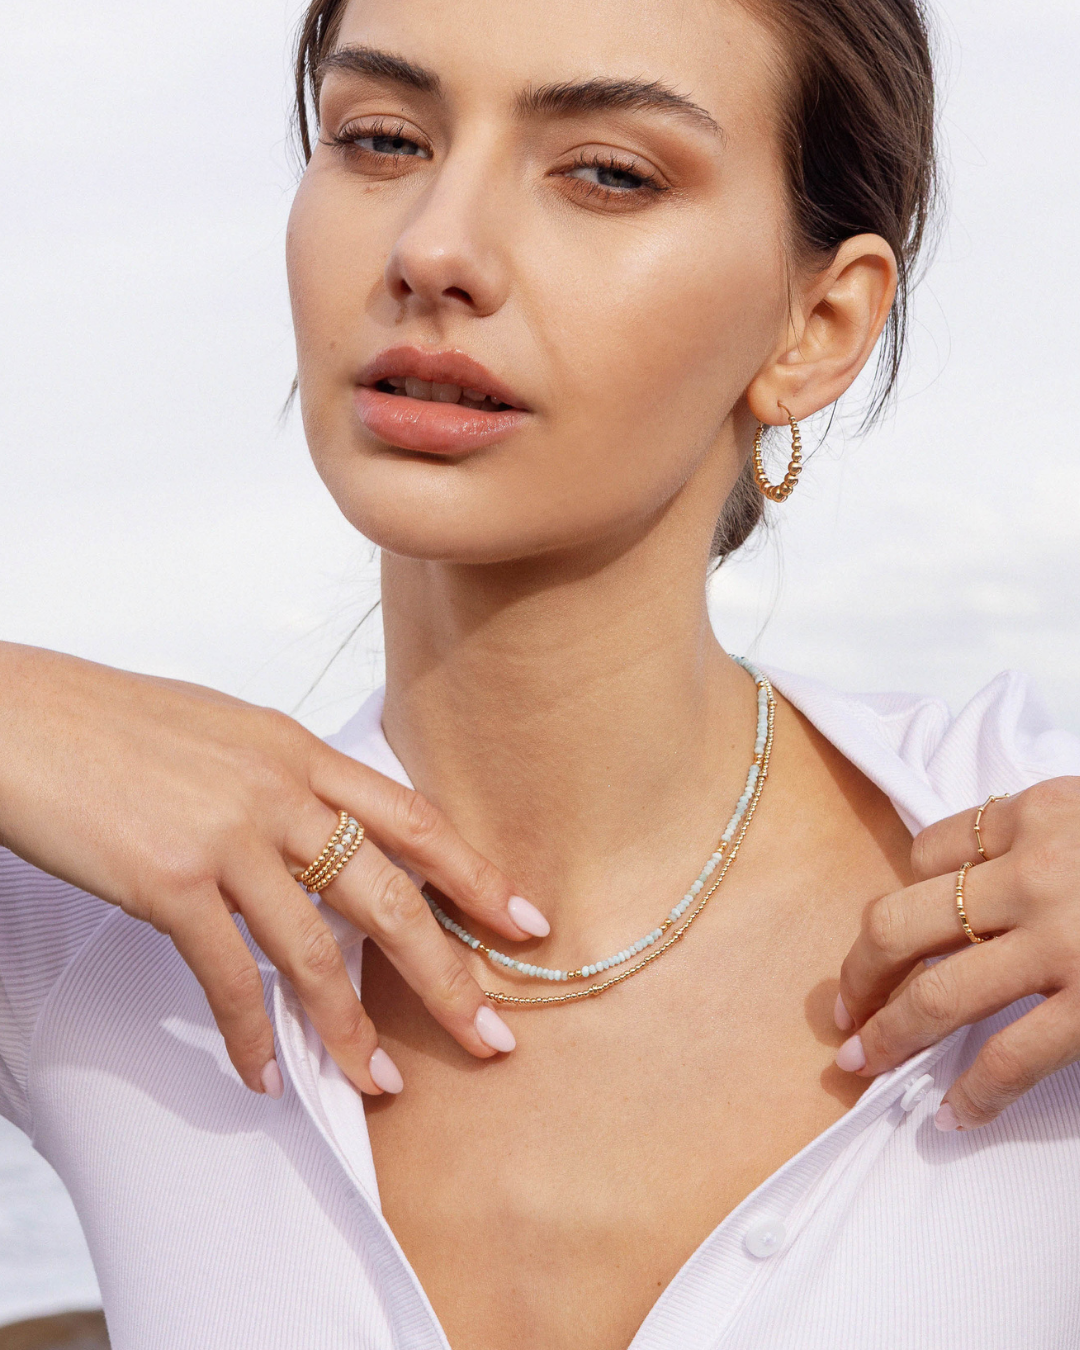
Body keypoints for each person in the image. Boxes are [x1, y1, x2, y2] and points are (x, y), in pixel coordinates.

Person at [2, 0, 1079, 1346]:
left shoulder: (1036, 897)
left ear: (818, 322)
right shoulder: (93, 918)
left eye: (608, 172)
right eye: (381, 138)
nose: (433, 247)